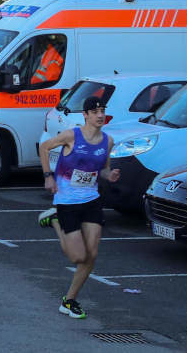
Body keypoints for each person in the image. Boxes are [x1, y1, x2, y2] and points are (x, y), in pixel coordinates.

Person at [37, 96, 119, 319]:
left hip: (91, 200)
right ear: (85, 115)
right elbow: (44, 147)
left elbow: (102, 169)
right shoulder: (72, 135)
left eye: (102, 110)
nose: (100, 115)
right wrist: (48, 177)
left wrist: (108, 175)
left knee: (91, 255)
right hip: (66, 202)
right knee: (78, 257)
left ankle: (69, 300)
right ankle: (54, 220)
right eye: (95, 111)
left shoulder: (107, 141)